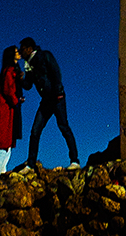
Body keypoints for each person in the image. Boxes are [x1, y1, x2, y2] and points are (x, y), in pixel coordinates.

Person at [17, 36, 80, 170]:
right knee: (35, 131)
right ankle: (31, 165)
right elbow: (28, 85)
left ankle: (75, 161)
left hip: (57, 98)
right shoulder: (28, 65)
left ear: (29, 49)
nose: (20, 53)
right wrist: (20, 79)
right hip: (46, 101)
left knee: (64, 127)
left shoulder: (45, 55)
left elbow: (56, 73)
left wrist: (58, 92)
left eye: (22, 50)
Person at [0, 45, 24, 180]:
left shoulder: (13, 70)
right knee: (0, 138)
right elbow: (8, 90)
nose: (19, 53)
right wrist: (15, 100)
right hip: (5, 110)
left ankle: (1, 170)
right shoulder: (8, 71)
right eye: (16, 52)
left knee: (8, 139)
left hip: (10, 109)